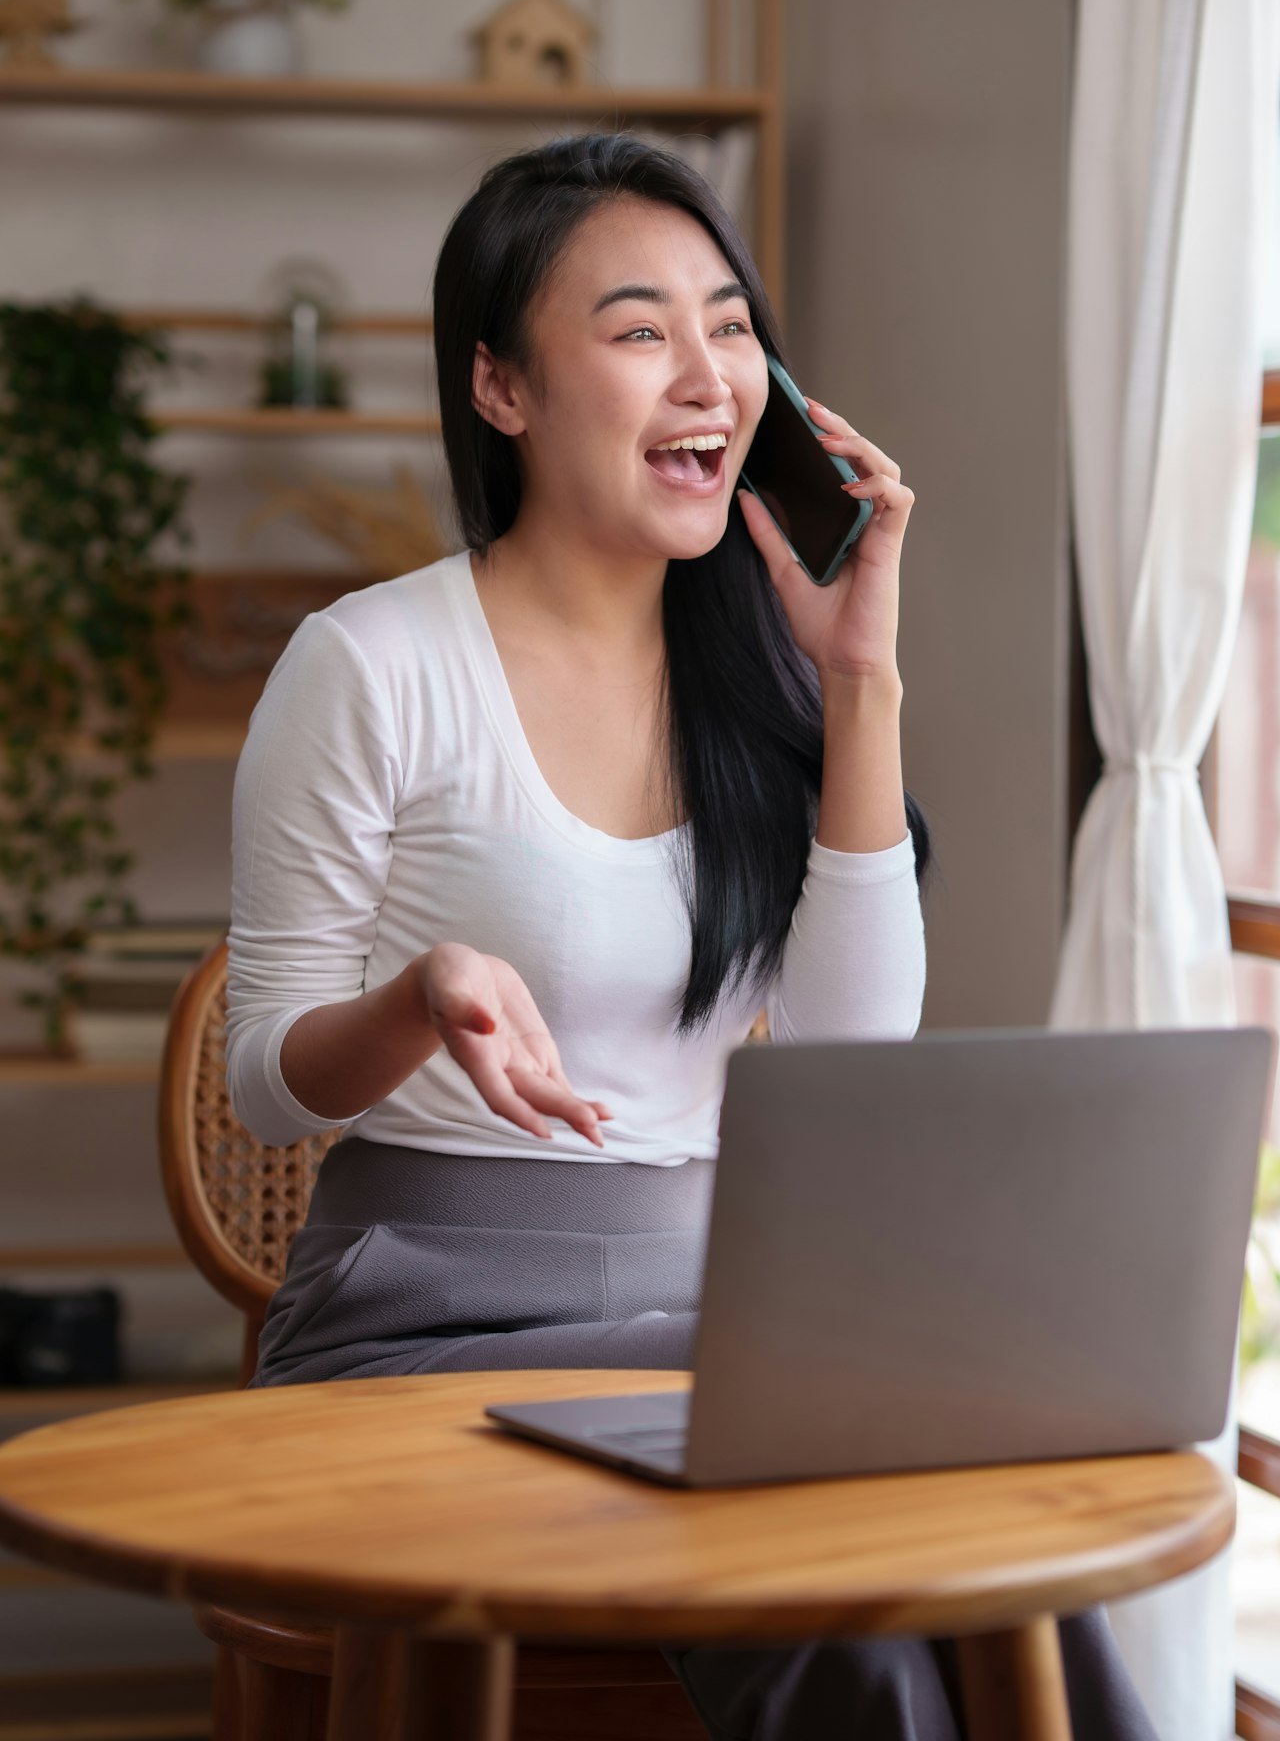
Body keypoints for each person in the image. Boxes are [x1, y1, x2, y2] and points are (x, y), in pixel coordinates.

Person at [226, 131, 1156, 1740]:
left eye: (728, 326)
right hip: (422, 1328)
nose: (707, 375)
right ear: (501, 390)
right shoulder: (367, 664)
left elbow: (857, 1049)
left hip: (712, 1326)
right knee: (843, 1627)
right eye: (639, 329)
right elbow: (265, 1082)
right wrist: (420, 997)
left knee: (1004, 1572)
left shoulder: (766, 684)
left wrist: (857, 677)